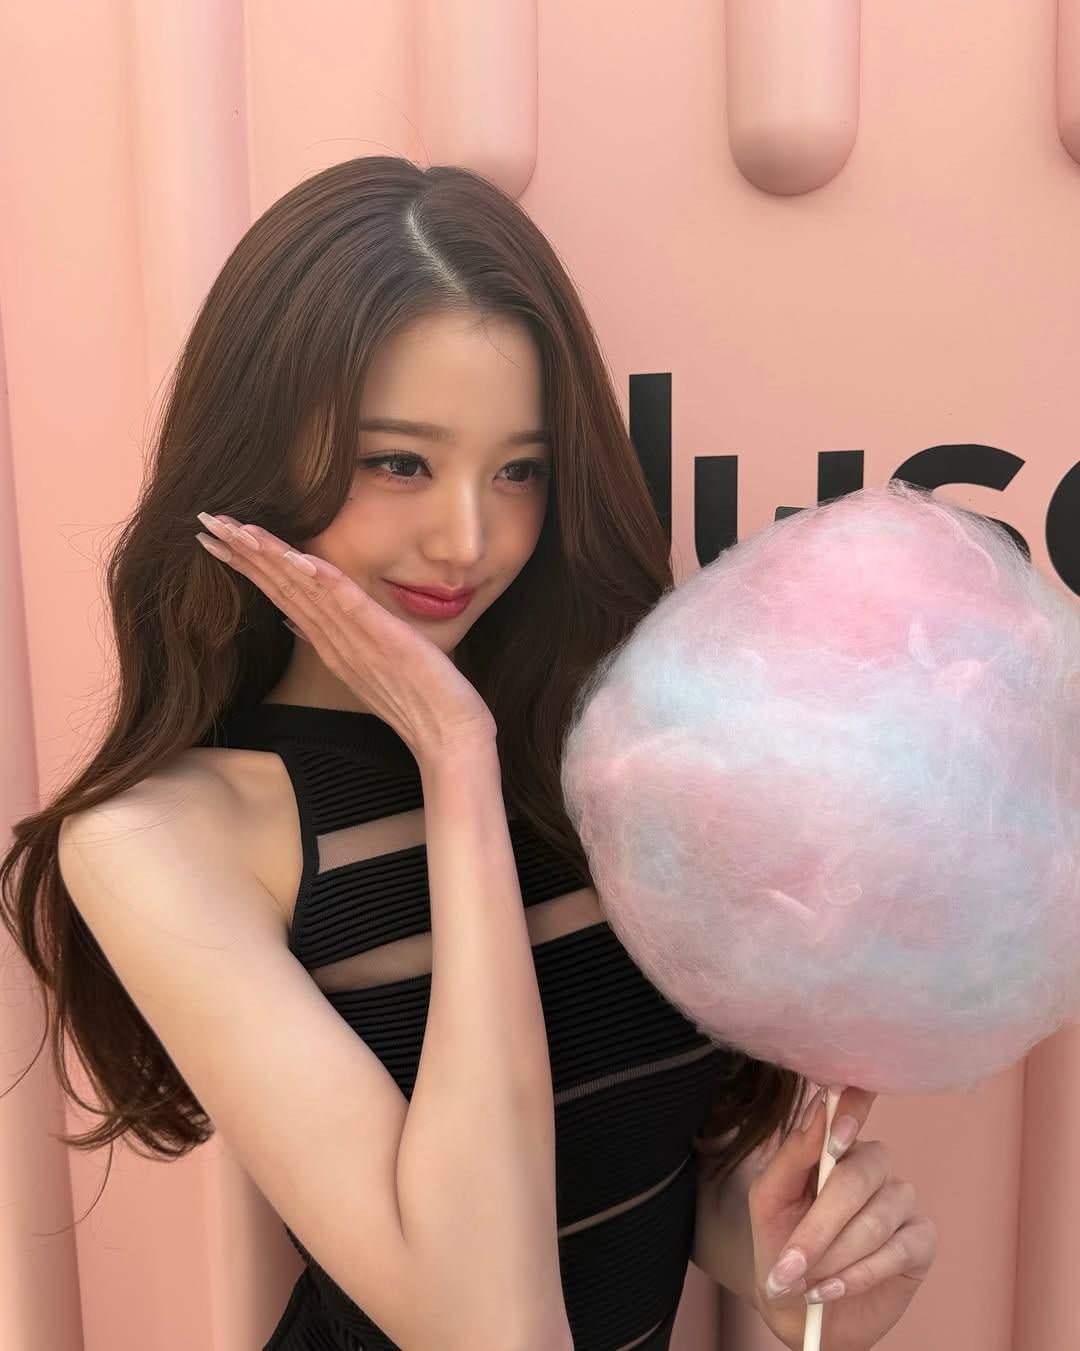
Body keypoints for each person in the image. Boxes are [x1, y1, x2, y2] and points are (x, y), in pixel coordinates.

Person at [0, 156, 808, 1350]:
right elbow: (488, 1324)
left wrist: (777, 1256)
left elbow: (628, 1157)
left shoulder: (602, 754)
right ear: (265, 452)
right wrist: (453, 756)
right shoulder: (160, 838)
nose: (469, 538)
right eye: (399, 462)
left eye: (520, 470)